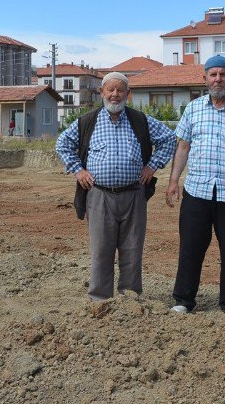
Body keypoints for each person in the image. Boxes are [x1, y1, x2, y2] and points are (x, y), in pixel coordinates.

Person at [56, 72, 176, 302]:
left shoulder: (140, 121)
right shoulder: (87, 121)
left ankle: (129, 300)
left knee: (132, 250)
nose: (115, 95)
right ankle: (99, 301)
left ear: (128, 94)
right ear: (101, 93)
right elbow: (62, 143)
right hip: (99, 195)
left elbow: (169, 139)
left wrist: (152, 166)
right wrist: (78, 170)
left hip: (134, 195)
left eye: (120, 90)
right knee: (101, 250)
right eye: (110, 90)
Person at [165, 56, 225, 317]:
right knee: (191, 247)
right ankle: (183, 299)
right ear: (205, 78)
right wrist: (174, 180)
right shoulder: (193, 109)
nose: (218, 79)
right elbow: (183, 147)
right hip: (197, 191)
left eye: (223, 74)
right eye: (213, 74)